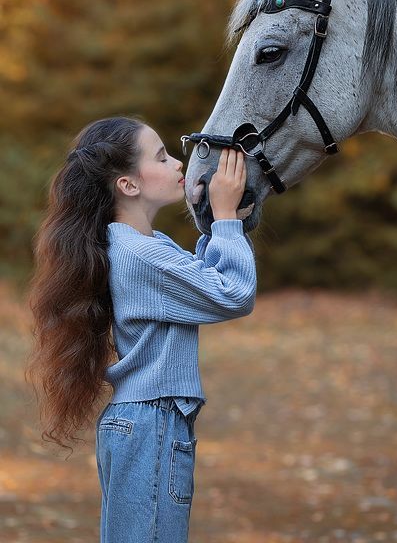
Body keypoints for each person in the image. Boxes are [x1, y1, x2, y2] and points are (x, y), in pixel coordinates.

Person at [25, 115, 256, 543]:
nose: (178, 165)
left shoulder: (142, 247)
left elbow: (202, 279)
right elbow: (233, 294)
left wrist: (218, 223)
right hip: (153, 425)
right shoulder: (141, 256)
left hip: (142, 422)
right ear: (129, 185)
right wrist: (224, 219)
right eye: (162, 157)